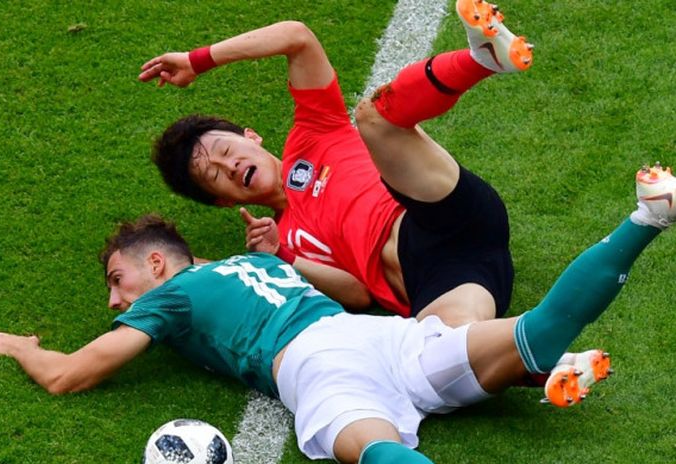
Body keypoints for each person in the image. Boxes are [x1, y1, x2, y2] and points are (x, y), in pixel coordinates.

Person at [0, 167, 675, 464]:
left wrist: (19, 347)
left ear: (157, 264)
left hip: (317, 365)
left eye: (116, 278)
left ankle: (536, 368)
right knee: (535, 329)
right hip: (377, 334)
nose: (113, 299)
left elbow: (71, 375)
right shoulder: (264, 265)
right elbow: (359, 291)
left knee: (382, 452)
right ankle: (646, 217)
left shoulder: (171, 295)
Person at [137, 0, 536, 327]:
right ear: (222, 201)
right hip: (440, 283)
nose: (230, 167)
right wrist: (281, 256)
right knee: (448, 349)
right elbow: (357, 294)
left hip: (440, 214)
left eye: (226, 152)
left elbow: (296, 37)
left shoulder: (313, 131)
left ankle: (481, 60)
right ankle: (552, 363)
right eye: (215, 177)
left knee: (373, 119)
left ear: (251, 136)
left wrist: (198, 60)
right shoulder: (282, 242)